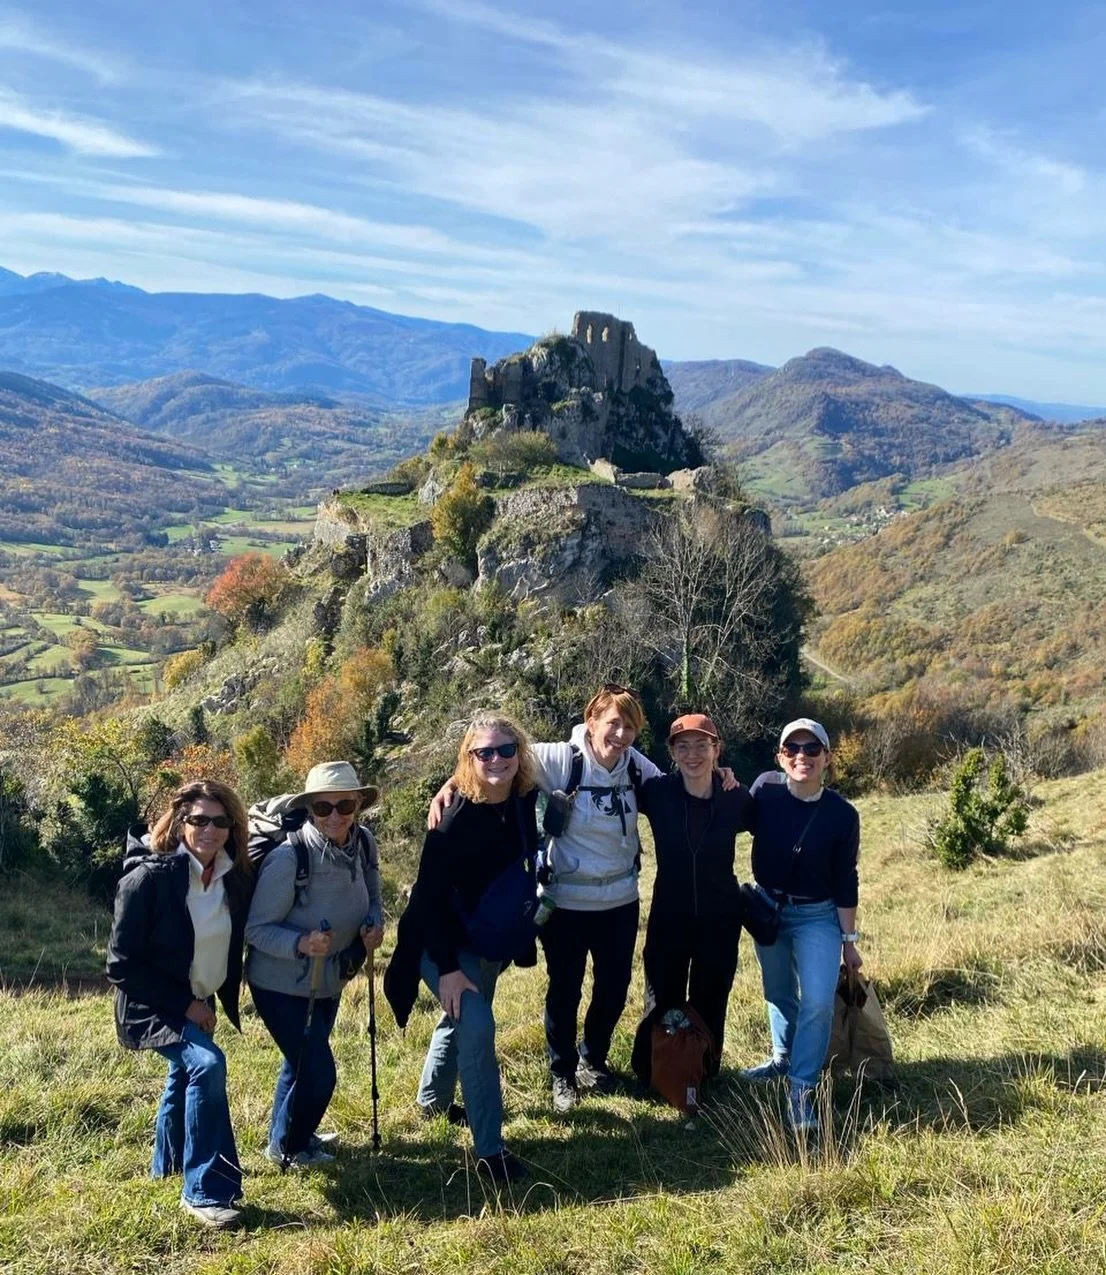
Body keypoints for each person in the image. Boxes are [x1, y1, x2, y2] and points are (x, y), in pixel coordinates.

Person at [428, 685, 667, 1113]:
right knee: (565, 991)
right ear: (591, 721)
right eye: (614, 723)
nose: (621, 735)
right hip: (566, 904)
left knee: (613, 989)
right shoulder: (561, 759)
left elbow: (673, 790)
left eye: (630, 727)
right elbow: (494, 760)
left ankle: (594, 1059)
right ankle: (563, 1074)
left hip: (621, 900)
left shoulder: (634, 764)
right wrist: (451, 785)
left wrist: (719, 776)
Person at [384, 711, 540, 1185]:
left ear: (519, 754)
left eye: (505, 750)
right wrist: (448, 969)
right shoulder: (451, 820)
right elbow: (428, 900)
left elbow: (585, 746)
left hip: (488, 939)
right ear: (468, 758)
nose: (496, 759)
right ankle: (490, 1150)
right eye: (483, 752)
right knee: (476, 1024)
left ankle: (433, 1101)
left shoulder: (523, 797)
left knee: (462, 1019)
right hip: (438, 943)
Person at [105, 779, 253, 1229]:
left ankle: (167, 1166)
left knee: (184, 1073)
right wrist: (186, 1005)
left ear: (232, 828)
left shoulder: (233, 876)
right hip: (152, 1002)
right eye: (199, 819)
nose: (210, 829)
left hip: (197, 996)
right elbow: (120, 965)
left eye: (221, 821)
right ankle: (205, 1191)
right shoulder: (148, 880)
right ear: (180, 822)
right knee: (207, 1064)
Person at [245, 761, 383, 1167]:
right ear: (309, 809)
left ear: (357, 805)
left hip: (330, 979)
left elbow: (374, 897)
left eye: (345, 806)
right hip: (280, 985)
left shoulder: (365, 844)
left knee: (301, 1063)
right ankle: (293, 1148)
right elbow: (256, 929)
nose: (335, 816)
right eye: (323, 807)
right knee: (319, 1074)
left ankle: (286, 1138)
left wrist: (374, 923)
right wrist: (301, 942)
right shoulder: (290, 858)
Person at [742, 718, 862, 1135]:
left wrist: (849, 941)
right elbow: (730, 817)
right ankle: (781, 1058)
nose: (802, 757)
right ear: (780, 757)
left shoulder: (842, 815)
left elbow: (846, 879)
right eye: (792, 748)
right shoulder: (765, 791)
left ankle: (802, 1088)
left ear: (827, 758)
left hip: (818, 916)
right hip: (768, 909)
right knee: (777, 990)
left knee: (817, 1000)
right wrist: (722, 778)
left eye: (812, 749)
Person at [631, 714, 753, 1084]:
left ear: (717, 749)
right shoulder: (657, 792)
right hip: (669, 915)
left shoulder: (735, 797)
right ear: (671, 753)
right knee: (661, 997)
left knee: (712, 997)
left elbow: (772, 825)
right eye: (682, 746)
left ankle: (703, 1073)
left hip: (720, 917)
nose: (693, 754)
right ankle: (655, 1073)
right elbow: (614, 755)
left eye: (702, 745)